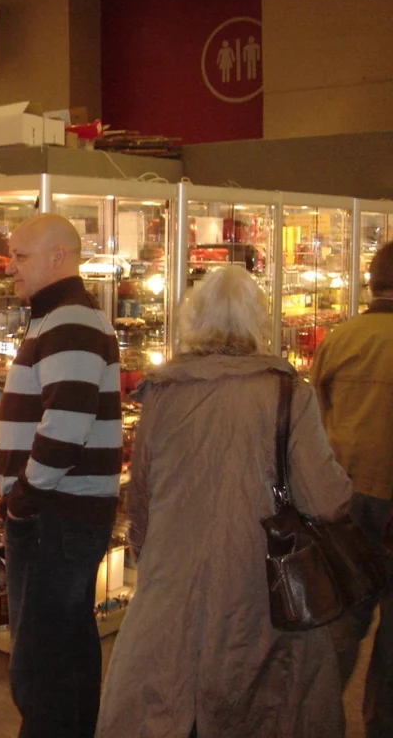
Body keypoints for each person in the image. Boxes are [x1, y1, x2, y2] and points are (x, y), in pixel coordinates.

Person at [96, 266, 351, 737]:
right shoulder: (288, 394)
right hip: (258, 586)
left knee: (165, 700)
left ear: (194, 318)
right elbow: (327, 500)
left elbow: (141, 497)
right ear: (259, 320)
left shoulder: (163, 394)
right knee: (260, 704)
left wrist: (151, 561)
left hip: (172, 582)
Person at [0, 214, 122, 738]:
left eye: (20, 256)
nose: (9, 267)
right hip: (59, 512)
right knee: (64, 653)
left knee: (43, 666)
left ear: (58, 258)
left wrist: (24, 499)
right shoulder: (60, 318)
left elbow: (66, 423)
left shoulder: (69, 320)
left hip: (56, 515)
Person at [311, 241, 393, 738]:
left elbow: (317, 417)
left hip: (346, 495)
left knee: (342, 618)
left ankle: (317, 720)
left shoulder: (341, 338)